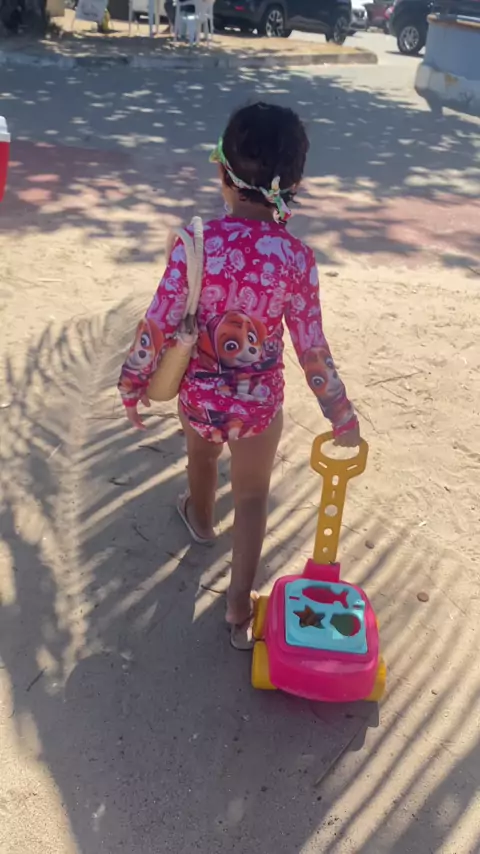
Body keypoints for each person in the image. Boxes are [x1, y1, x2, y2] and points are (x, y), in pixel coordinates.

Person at [118, 102, 360, 650]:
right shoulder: (296, 258)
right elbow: (312, 348)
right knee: (252, 496)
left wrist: (133, 383)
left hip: (199, 397)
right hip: (258, 403)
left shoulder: (195, 244)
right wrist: (340, 413)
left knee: (201, 457)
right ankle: (236, 609)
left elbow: (157, 322)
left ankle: (201, 520)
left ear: (223, 174)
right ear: (293, 186)